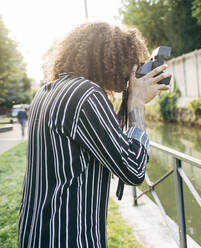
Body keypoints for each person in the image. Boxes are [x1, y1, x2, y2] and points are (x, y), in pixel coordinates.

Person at [18, 22, 171, 248]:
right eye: (130, 62)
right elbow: (133, 170)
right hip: (69, 237)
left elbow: (105, 144)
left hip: (36, 232)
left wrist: (130, 102)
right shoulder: (86, 95)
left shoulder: (47, 91)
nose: (133, 72)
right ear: (111, 59)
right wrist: (137, 104)